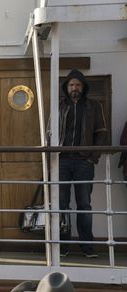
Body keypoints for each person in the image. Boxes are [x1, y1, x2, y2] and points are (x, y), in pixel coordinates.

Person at [57, 69, 107, 258]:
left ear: (83, 87)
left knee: (84, 204)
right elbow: (49, 132)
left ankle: (88, 247)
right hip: (61, 160)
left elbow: (102, 132)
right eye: (71, 85)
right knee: (61, 204)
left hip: (83, 161)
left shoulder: (93, 106)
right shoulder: (60, 106)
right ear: (66, 87)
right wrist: (51, 157)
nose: (74, 88)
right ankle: (62, 246)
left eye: (77, 85)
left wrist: (92, 157)